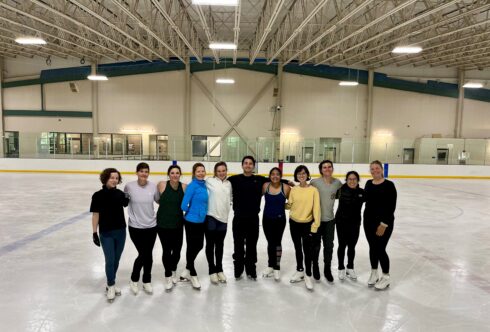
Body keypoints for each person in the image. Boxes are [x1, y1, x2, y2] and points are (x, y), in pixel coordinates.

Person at [228, 155, 290, 280]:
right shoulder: (234, 179)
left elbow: (274, 179)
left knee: (251, 245)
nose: (248, 165)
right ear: (242, 165)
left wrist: (287, 182)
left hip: (253, 219)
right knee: (238, 245)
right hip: (239, 218)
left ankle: (251, 269)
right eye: (246, 163)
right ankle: (238, 269)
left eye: (250, 163)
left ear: (254, 166)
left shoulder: (259, 179)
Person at [90, 168, 129, 302]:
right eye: (112, 177)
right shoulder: (97, 195)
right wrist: (94, 232)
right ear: (105, 178)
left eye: (116, 178)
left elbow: (125, 204)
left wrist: (126, 198)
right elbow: (95, 215)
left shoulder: (120, 193)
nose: (114, 180)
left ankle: (110, 282)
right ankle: (111, 285)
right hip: (106, 232)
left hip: (121, 231)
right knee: (110, 260)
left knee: (116, 260)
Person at [124, 162, 159, 295]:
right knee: (144, 254)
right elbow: (124, 203)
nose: (144, 174)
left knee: (148, 254)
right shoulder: (129, 187)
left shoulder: (153, 186)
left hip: (151, 226)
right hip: (135, 226)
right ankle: (134, 279)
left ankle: (146, 280)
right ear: (137, 172)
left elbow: (159, 200)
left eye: (146, 171)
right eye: (141, 171)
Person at [364, 160, 397, 290]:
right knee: (373, 247)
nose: (375, 171)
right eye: (372, 169)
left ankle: (386, 276)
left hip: (384, 223)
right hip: (368, 222)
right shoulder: (368, 183)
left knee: (380, 248)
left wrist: (384, 224)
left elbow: (391, 206)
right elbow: (363, 199)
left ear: (382, 169)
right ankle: (374, 273)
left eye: (377, 168)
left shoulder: (389, 185)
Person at [287, 165, 321, 291]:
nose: (301, 175)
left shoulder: (313, 190)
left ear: (307, 175)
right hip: (294, 223)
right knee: (297, 248)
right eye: (299, 173)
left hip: (307, 224)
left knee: (307, 250)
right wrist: (278, 202)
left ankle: (308, 275)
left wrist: (315, 226)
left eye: (303, 173)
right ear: (296, 176)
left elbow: (316, 209)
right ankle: (300, 270)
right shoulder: (294, 190)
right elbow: (290, 205)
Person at [310, 160, 342, 282]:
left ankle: (327, 269)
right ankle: (316, 267)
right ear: (321, 170)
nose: (327, 169)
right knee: (316, 246)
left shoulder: (337, 183)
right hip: (316, 220)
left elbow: (343, 197)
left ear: (332, 168)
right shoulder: (314, 182)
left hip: (330, 221)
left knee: (329, 246)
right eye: (324, 167)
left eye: (329, 167)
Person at [156, 165, 187, 291]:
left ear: (180, 174)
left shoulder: (184, 187)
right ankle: (168, 275)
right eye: (172, 173)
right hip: (163, 223)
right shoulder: (162, 184)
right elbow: (158, 200)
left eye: (177, 173)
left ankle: (173, 269)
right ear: (168, 174)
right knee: (166, 250)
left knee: (177, 251)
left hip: (178, 223)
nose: (175, 175)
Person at [180, 163, 208, 289]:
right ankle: (193, 273)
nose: (201, 173)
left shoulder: (205, 185)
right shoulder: (192, 186)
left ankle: (187, 268)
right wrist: (193, 211)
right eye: (198, 171)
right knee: (192, 246)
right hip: (191, 221)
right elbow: (183, 205)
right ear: (194, 173)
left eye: (203, 171)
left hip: (202, 221)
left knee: (199, 245)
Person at [205, 161, 232, 284]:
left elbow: (230, 198)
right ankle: (212, 270)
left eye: (223, 170)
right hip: (211, 217)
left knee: (220, 245)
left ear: (226, 171)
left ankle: (219, 269)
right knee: (210, 244)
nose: (221, 173)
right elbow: (197, 185)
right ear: (215, 172)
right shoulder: (209, 181)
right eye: (219, 171)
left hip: (223, 219)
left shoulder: (229, 184)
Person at [261, 167, 290, 281]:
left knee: (277, 243)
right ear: (269, 176)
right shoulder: (265, 186)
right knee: (270, 242)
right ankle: (270, 265)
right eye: (272, 174)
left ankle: (276, 267)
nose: (275, 176)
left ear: (280, 176)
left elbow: (293, 201)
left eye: (277, 174)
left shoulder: (286, 188)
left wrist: (285, 207)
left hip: (280, 220)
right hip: (266, 219)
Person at [335, 171, 365, 281]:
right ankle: (341, 268)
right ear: (346, 180)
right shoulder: (340, 190)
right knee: (342, 245)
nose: (352, 181)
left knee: (352, 246)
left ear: (357, 180)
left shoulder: (362, 192)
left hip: (355, 224)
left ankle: (350, 267)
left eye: (354, 179)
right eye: (350, 179)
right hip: (341, 223)